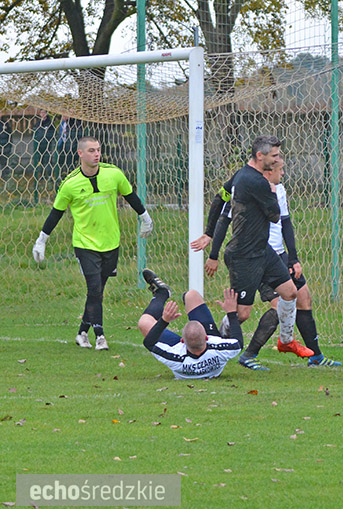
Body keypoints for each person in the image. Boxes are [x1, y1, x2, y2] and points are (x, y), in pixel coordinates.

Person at [192, 158, 341, 368]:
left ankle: (315, 356)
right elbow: (225, 216)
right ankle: (232, 348)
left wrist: (293, 257)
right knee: (252, 311)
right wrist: (213, 253)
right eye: (280, 168)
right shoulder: (245, 186)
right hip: (254, 255)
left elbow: (285, 222)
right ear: (267, 169)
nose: (283, 173)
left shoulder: (279, 189)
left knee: (302, 296)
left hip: (277, 255)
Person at [32, 136, 154, 351]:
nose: (96, 154)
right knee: (94, 288)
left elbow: (131, 196)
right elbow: (56, 213)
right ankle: (100, 336)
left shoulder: (114, 174)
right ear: (80, 154)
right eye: (91, 150)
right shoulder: (70, 184)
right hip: (85, 244)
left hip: (110, 243)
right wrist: (41, 240)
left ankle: (81, 332)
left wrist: (145, 218)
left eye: (98, 150)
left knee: (97, 292)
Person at [192, 135, 309, 360]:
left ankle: (286, 341)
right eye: (274, 155)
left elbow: (219, 199)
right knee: (242, 313)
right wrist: (273, 191)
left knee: (290, 292)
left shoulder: (240, 175)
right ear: (260, 156)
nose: (277, 160)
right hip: (244, 256)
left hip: (262, 251)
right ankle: (213, 341)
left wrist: (208, 232)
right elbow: (275, 216)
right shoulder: (257, 182)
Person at [138, 269, 243, 379]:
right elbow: (238, 342)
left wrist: (164, 320)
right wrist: (231, 312)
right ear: (207, 337)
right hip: (209, 351)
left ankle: (162, 293)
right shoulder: (219, 350)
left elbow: (149, 342)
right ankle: (183, 297)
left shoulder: (176, 357)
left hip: (187, 352)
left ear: (182, 342)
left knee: (144, 323)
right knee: (192, 295)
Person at [0, 115, 12, 179]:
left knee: (4, 162)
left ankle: (5, 177)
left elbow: (10, 134)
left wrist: (9, 145)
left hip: (5, 146)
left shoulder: (5, 123)